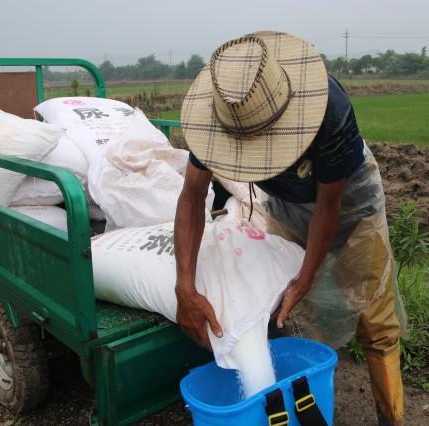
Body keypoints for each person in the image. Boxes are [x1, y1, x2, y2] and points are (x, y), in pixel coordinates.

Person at [174, 31, 406, 425]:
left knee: (375, 320)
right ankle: (301, 399)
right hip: (284, 203)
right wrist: (185, 287)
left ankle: (392, 418)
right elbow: (192, 198)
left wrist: (307, 275)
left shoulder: (329, 112)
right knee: (286, 305)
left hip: (351, 203)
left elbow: (329, 206)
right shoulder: (217, 119)